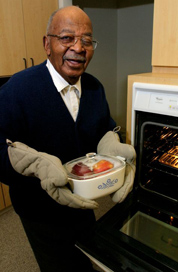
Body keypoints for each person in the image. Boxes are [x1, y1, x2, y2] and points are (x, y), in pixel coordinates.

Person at [0, 6, 136, 272]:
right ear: (47, 44)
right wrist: (32, 164)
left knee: (87, 255)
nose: (79, 47)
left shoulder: (95, 87)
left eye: (87, 40)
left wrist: (111, 141)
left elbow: (104, 127)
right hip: (39, 211)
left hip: (86, 201)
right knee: (58, 265)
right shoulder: (17, 90)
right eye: (66, 38)